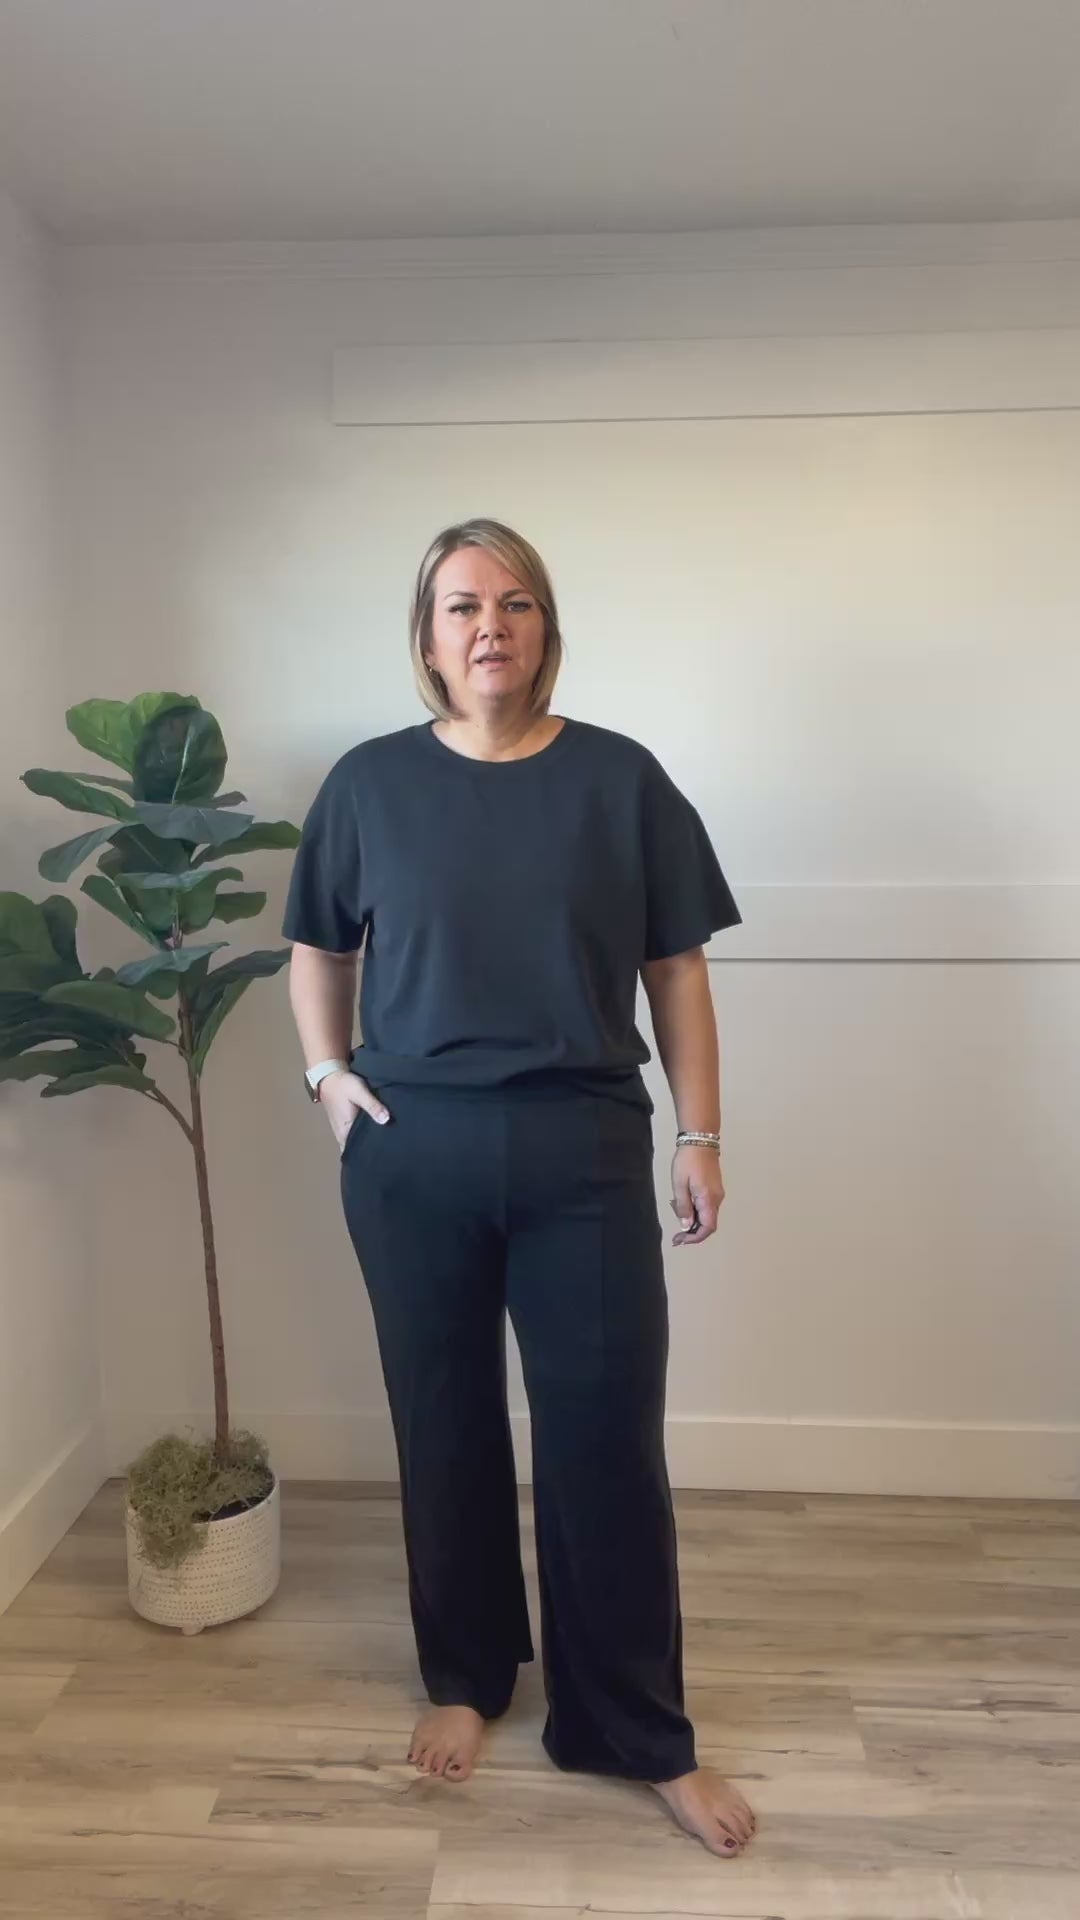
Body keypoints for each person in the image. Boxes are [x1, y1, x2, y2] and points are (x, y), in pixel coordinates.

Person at [281, 517, 756, 1858]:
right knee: (441, 1423)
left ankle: (635, 1730)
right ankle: (468, 1673)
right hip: (412, 1154)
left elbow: (677, 968)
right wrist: (328, 1079)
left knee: (605, 1441)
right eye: (460, 605)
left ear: (546, 630)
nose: (488, 624)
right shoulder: (368, 784)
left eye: (515, 603)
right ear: (428, 639)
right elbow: (318, 945)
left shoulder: (621, 780)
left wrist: (700, 1135)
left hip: (582, 1151)